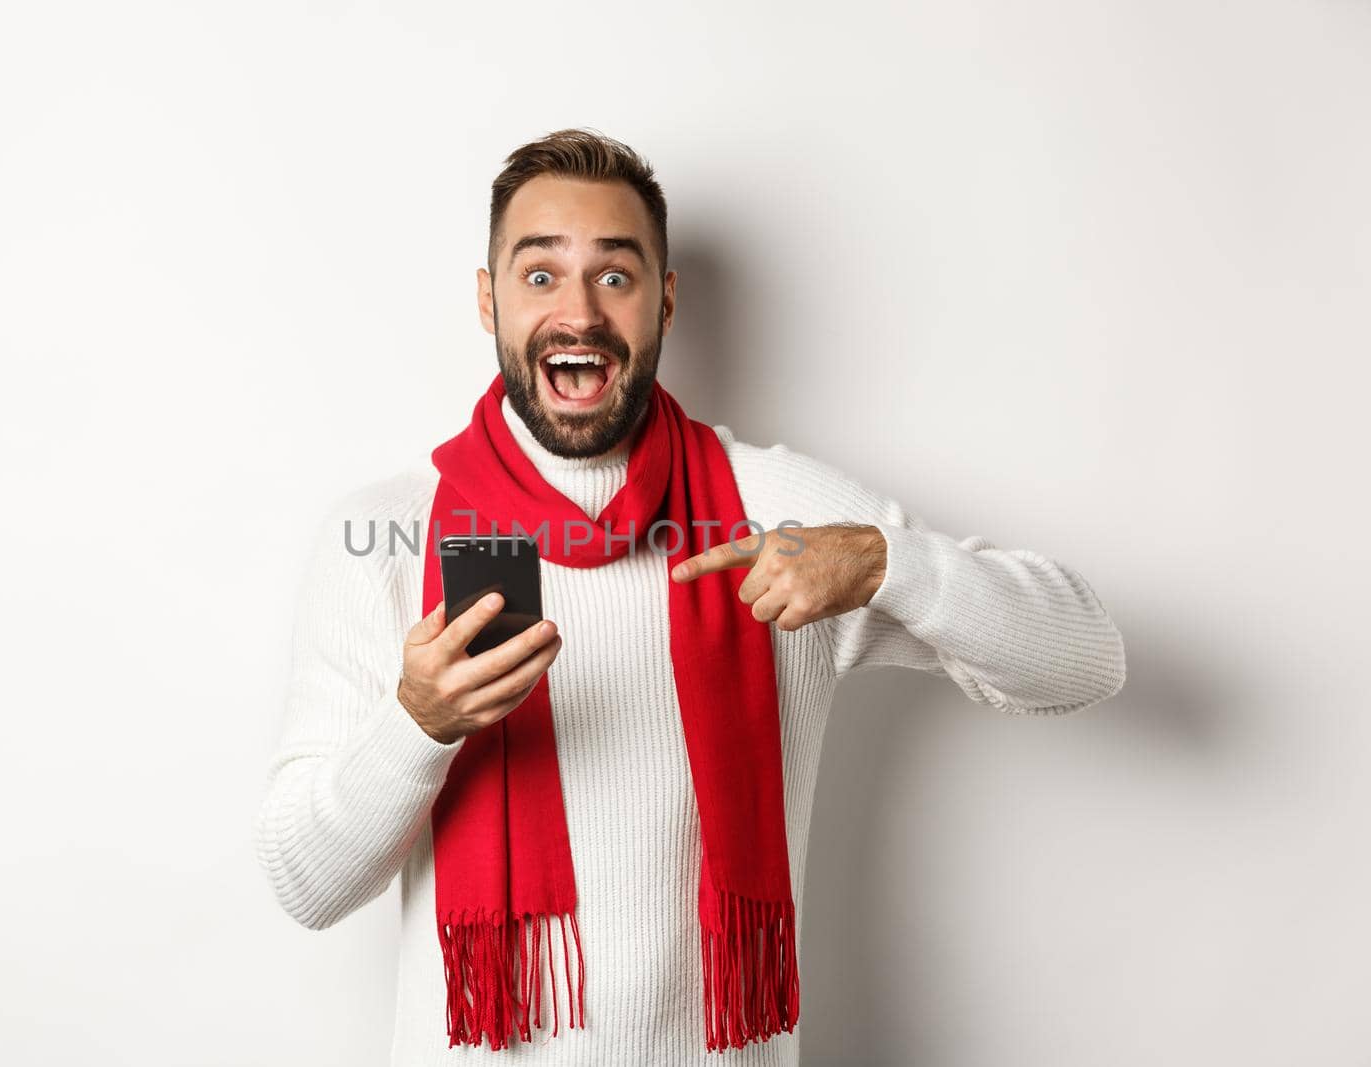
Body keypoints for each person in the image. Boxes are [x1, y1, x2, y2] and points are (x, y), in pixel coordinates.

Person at [252, 128, 1126, 1066]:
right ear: (487, 299)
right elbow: (307, 883)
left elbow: (1088, 657)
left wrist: (885, 562)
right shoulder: (388, 538)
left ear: (666, 300)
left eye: (616, 276)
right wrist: (417, 723)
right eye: (540, 275)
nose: (578, 312)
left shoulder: (779, 513)